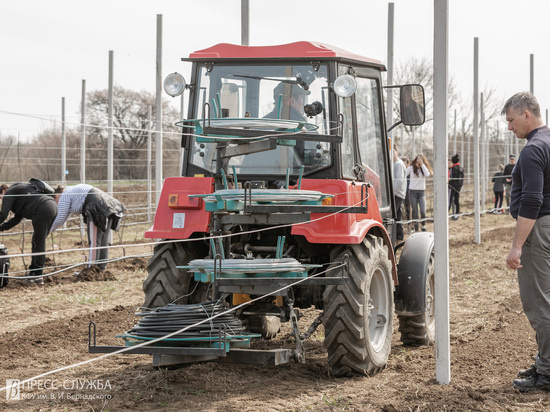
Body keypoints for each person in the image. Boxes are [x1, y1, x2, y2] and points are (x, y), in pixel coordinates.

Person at [503, 91, 550, 392]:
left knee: (539, 303)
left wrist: (517, 245)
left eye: (511, 120)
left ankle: (546, 372)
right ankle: (545, 361)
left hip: (539, 229)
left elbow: (532, 200)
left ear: (526, 115)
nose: (509, 127)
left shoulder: (533, 150)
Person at [50, 184, 125, 271]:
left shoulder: (64, 196)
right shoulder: (70, 192)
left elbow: (59, 219)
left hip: (96, 208)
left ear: (56, 196)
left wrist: (49, 229)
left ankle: (91, 270)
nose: (56, 205)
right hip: (107, 205)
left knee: (94, 241)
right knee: (103, 240)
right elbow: (65, 215)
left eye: (54, 202)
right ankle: (101, 268)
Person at [0, 182, 58, 284]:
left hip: (42, 209)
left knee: (39, 242)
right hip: (51, 206)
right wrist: (1, 228)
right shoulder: (21, 191)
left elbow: (3, 214)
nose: (2, 200)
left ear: (3, 192)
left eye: (1, 198)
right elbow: (16, 219)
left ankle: (38, 275)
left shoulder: (9, 193)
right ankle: (34, 272)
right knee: (36, 240)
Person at [406, 154, 432, 232]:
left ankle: (423, 225)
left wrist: (422, 164)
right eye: (417, 161)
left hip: (421, 193)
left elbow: (428, 174)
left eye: (420, 162)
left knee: (423, 211)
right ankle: (415, 227)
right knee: (415, 211)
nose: (418, 164)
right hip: (412, 192)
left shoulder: (423, 169)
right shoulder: (411, 168)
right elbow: (404, 174)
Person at [392, 148, 407, 241]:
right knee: (398, 215)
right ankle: (399, 236)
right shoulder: (395, 163)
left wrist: (392, 193)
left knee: (394, 215)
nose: (392, 153)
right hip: (397, 193)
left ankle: (398, 236)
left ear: (397, 152)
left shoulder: (398, 164)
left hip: (397, 194)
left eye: (393, 151)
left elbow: (399, 180)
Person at [448, 154, 464, 219]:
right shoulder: (461, 168)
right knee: (456, 201)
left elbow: (451, 178)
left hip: (452, 187)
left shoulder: (453, 169)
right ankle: (456, 215)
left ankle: (446, 214)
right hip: (458, 187)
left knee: (449, 200)